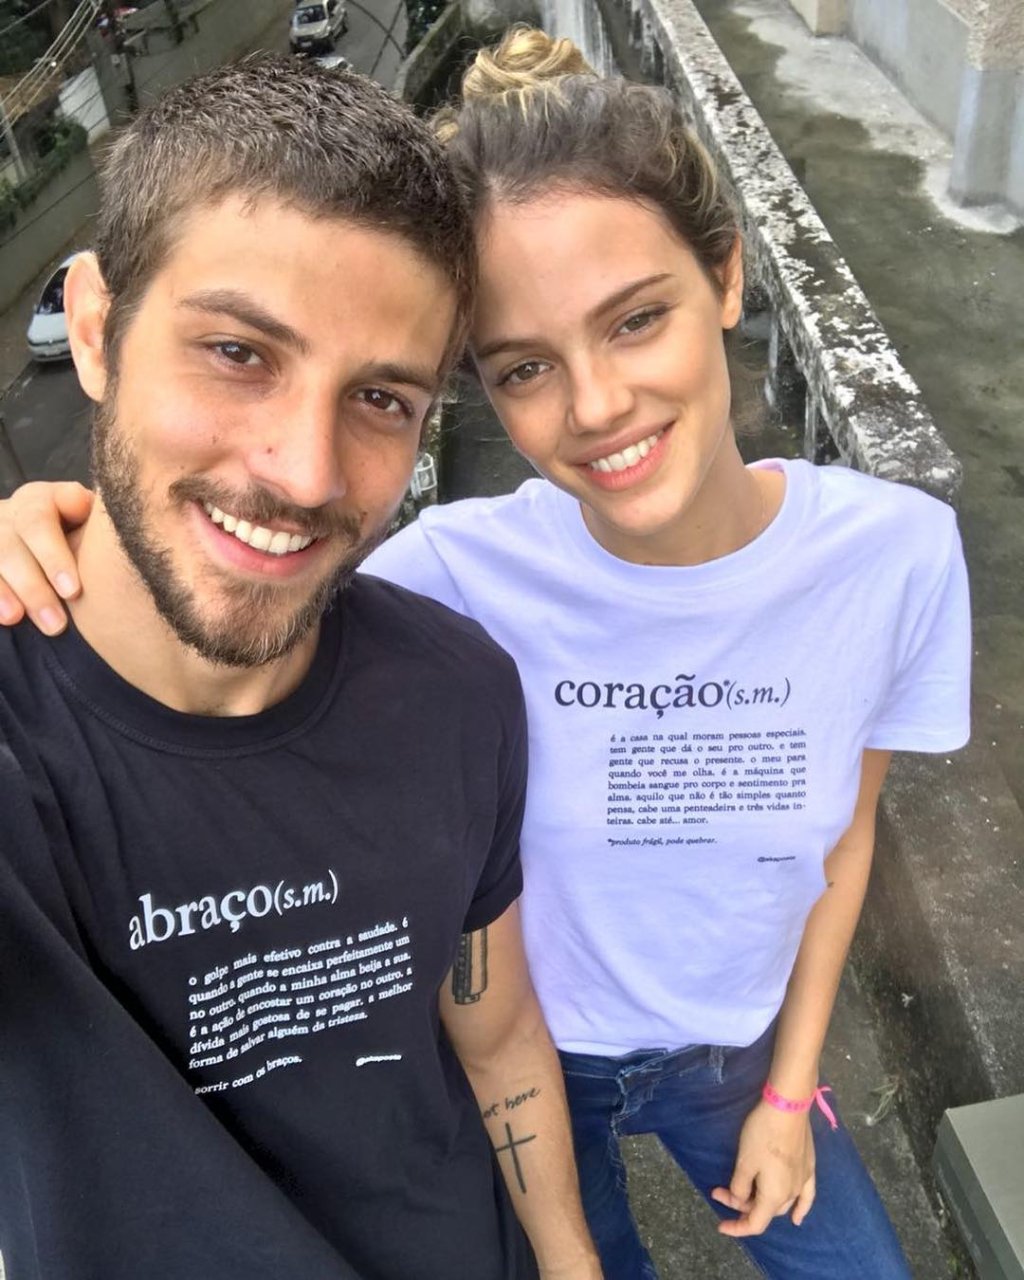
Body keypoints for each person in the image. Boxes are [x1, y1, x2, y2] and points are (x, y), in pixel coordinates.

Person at [0, 28, 971, 1280]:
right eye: (522, 366)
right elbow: (229, 579)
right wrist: (52, 526)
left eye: (635, 320)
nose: (597, 405)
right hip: (525, 1072)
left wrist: (791, 1091)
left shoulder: (892, 558)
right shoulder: (445, 577)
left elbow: (846, 835)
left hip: (732, 1052)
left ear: (726, 275)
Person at [0, 54, 603, 1280]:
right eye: (238, 352)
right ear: (101, 328)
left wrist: (571, 1262)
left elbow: (493, 1035)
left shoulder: (460, 692)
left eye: (381, 397)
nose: (308, 472)